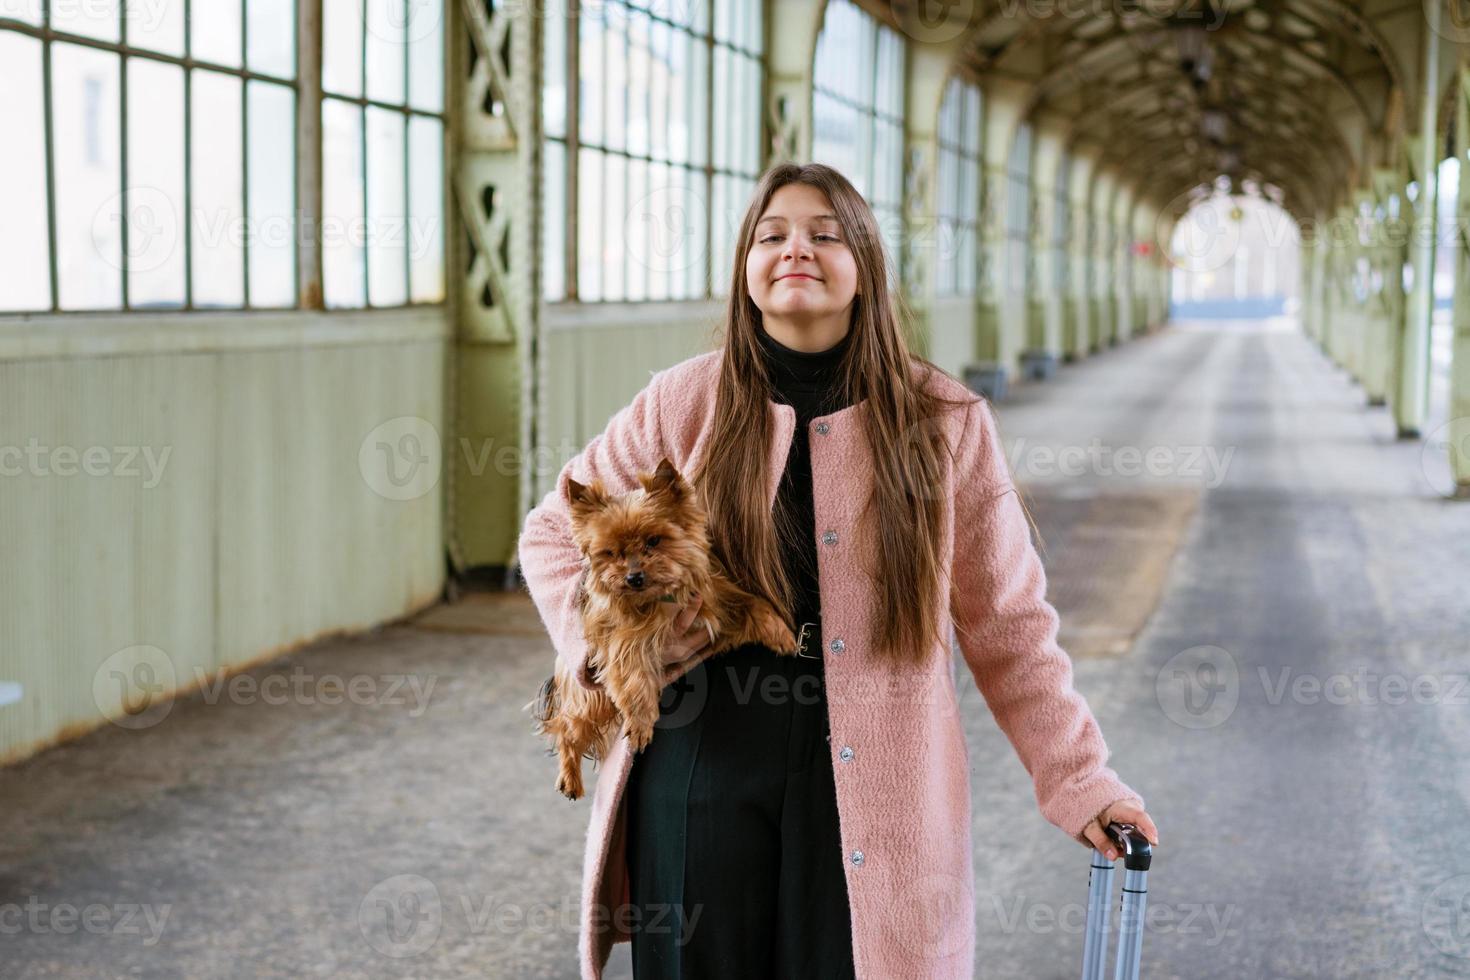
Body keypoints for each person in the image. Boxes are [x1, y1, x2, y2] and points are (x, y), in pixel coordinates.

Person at [517, 162, 1160, 980]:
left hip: (878, 795)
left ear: (865, 267)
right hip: (699, 773)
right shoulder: (683, 403)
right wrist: (602, 649)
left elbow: (1010, 625)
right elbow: (551, 533)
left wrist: (1084, 783)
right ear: (745, 270)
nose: (797, 250)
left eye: (825, 234)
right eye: (771, 234)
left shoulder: (945, 422)